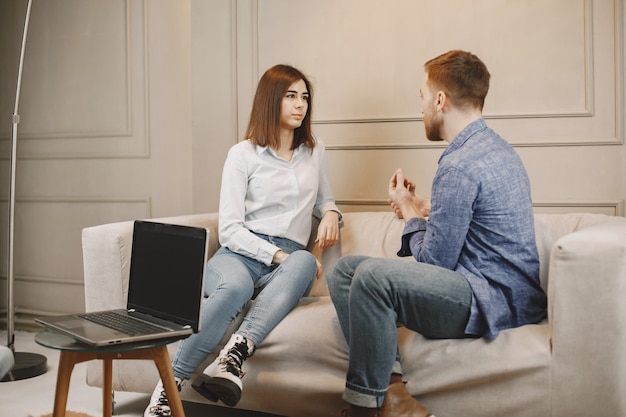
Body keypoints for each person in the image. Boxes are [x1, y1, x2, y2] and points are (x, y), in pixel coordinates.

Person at [327, 50, 547, 417]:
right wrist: (424, 208)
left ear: (441, 100)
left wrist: (410, 211)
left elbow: (435, 262)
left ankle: (362, 408)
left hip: (489, 297)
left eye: (423, 97)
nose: (423, 108)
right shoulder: (494, 147)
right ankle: (395, 395)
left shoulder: (458, 164)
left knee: (370, 277)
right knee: (343, 271)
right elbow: (468, 230)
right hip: (504, 290)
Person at [145, 64, 341, 417]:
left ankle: (232, 356)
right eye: (291, 96)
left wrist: (330, 214)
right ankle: (166, 391)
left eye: (305, 97)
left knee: (303, 262)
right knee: (235, 288)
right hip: (239, 254)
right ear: (270, 101)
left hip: (288, 260)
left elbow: (325, 200)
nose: (301, 105)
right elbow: (229, 229)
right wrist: (275, 253)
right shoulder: (242, 154)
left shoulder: (315, 150)